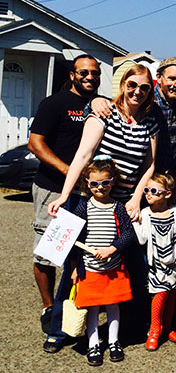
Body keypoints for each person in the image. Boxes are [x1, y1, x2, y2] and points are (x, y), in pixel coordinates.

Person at [48, 63, 159, 342]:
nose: (137, 92)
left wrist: (136, 199)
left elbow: (150, 164)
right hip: (90, 200)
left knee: (132, 265)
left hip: (123, 206)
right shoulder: (104, 113)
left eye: (144, 88)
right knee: (77, 265)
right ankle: (61, 330)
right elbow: (83, 156)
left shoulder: (150, 121)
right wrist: (64, 195)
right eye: (132, 85)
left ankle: (126, 330)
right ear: (123, 85)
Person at [27, 54, 100, 352]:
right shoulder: (54, 103)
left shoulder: (98, 103)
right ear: (72, 74)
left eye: (94, 73)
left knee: (78, 254)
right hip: (52, 189)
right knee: (48, 251)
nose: (89, 77)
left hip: (86, 193)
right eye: (83, 72)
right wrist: (67, 170)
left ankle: (72, 308)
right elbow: (36, 143)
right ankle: (48, 307)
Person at [69, 157, 136, 366]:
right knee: (93, 308)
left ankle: (114, 341)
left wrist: (112, 248)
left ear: (113, 181)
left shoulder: (118, 208)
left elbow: (128, 233)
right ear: (87, 184)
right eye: (95, 184)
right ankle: (93, 344)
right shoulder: (83, 208)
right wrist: (73, 268)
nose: (100, 188)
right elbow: (74, 240)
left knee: (113, 305)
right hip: (89, 269)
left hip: (113, 268)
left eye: (105, 182)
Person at [133, 173, 176, 352]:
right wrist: (134, 220)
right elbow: (142, 239)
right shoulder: (145, 213)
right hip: (157, 265)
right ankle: (153, 331)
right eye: (146, 190)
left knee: (171, 293)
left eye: (153, 191)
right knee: (160, 294)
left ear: (167, 194)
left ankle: (167, 327)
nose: (148, 194)